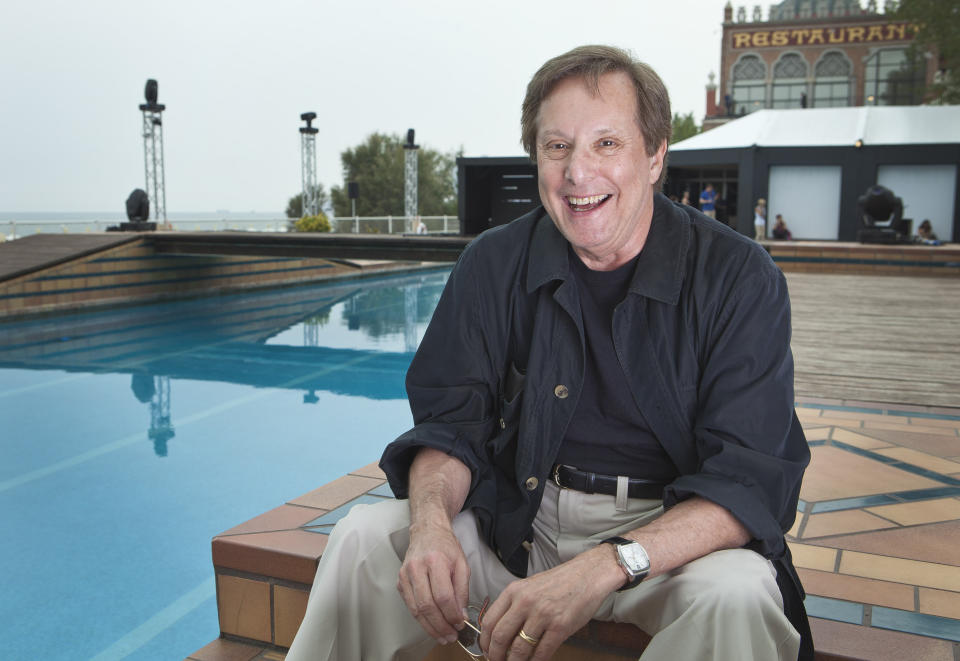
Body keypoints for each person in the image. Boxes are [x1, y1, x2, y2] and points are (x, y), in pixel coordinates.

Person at [286, 45, 811, 661]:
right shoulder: (493, 261)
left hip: (669, 541)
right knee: (361, 539)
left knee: (740, 596)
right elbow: (451, 424)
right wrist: (430, 524)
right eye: (557, 146)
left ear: (655, 156)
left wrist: (601, 567)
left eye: (606, 144)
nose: (577, 173)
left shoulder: (738, 277)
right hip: (522, 516)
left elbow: (746, 478)